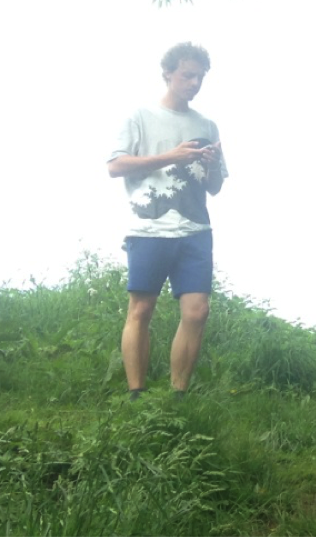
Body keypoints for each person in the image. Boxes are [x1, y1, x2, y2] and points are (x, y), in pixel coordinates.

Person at [109, 41, 227, 400]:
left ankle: (178, 395)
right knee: (141, 308)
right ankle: (137, 393)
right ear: (168, 74)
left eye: (200, 77)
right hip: (149, 228)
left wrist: (210, 168)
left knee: (197, 311)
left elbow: (217, 187)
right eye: (187, 75)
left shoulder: (206, 124)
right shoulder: (140, 117)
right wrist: (170, 156)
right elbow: (115, 166)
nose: (194, 83)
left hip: (195, 229)